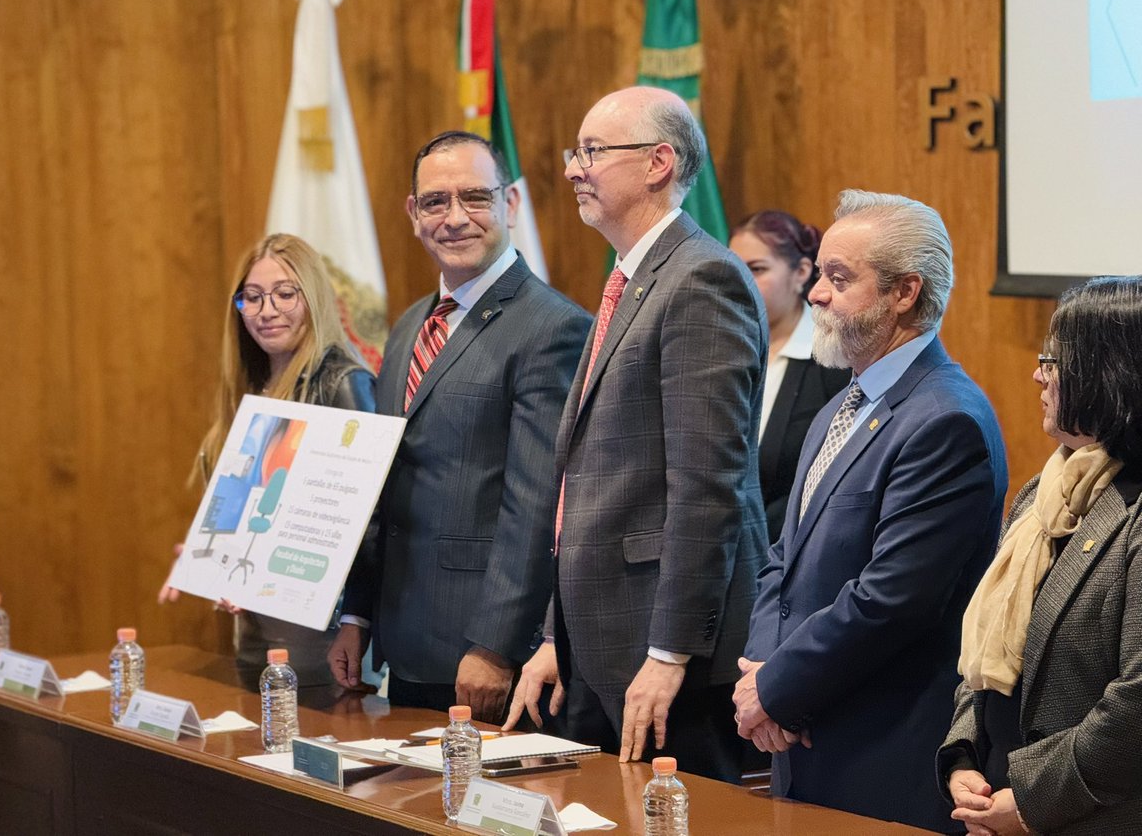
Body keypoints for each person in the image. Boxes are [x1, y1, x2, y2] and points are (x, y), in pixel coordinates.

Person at [504, 86, 769, 783]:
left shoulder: (702, 278)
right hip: (600, 643)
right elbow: (591, 485)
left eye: (592, 151)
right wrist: (556, 634)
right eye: (575, 152)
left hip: (667, 658)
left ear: (658, 162)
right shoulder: (636, 276)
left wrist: (669, 652)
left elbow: (707, 488)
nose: (573, 169)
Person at [733, 189, 1009, 832]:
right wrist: (763, 678)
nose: (816, 295)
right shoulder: (842, 405)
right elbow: (782, 559)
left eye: (839, 278)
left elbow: (890, 599)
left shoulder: (945, 419)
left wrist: (777, 689)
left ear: (904, 292)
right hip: (800, 732)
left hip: (882, 751)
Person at [328, 131, 591, 724]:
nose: (454, 218)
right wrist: (357, 615)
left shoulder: (553, 329)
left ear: (510, 204)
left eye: (475, 197)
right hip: (403, 644)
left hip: (486, 657)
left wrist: (495, 645)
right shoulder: (407, 328)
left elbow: (536, 504)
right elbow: (383, 488)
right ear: (412, 213)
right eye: (435, 202)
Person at [939, 276, 1142, 836]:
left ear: (1110, 372)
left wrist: (1031, 801)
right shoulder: (1040, 493)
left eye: (1054, 360)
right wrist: (963, 755)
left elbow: (1136, 702)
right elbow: (988, 640)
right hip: (996, 794)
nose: (1038, 375)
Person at [159, 233, 376, 688]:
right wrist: (210, 557)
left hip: (323, 638)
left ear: (313, 298)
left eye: (284, 294)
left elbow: (372, 521)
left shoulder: (342, 383)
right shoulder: (249, 389)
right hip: (255, 629)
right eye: (253, 297)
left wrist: (356, 619)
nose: (267, 310)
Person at [730, 211, 851, 543]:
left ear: (801, 272)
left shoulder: (836, 361)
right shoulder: (722, 349)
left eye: (757, 269)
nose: (740, 281)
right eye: (734, 268)